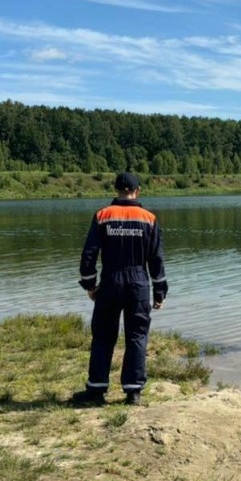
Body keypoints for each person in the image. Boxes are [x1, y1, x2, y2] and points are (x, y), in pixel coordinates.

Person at [74, 171, 168, 406]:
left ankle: (96, 390)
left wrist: (89, 284)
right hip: (138, 282)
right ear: (137, 191)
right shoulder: (149, 218)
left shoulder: (102, 215)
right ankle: (133, 391)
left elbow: (89, 254)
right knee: (136, 335)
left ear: (116, 189)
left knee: (103, 335)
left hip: (110, 280)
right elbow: (156, 259)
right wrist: (159, 292)